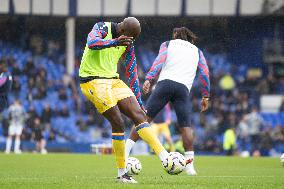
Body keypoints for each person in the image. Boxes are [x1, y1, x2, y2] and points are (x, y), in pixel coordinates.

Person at [79, 17, 169, 183]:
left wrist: (139, 101)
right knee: (118, 122)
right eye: (130, 38)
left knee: (139, 115)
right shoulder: (102, 27)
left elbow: (132, 72)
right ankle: (122, 174)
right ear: (122, 31)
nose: (131, 42)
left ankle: (165, 158)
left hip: (113, 80)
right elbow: (91, 42)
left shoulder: (127, 43)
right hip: (92, 80)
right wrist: (114, 42)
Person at [125, 27, 210, 176]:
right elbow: (204, 72)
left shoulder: (168, 44)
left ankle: (124, 153)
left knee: (142, 120)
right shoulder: (198, 52)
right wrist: (205, 96)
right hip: (183, 89)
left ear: (176, 35)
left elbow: (159, 61)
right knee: (186, 127)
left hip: (165, 84)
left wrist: (150, 78)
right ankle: (190, 168)